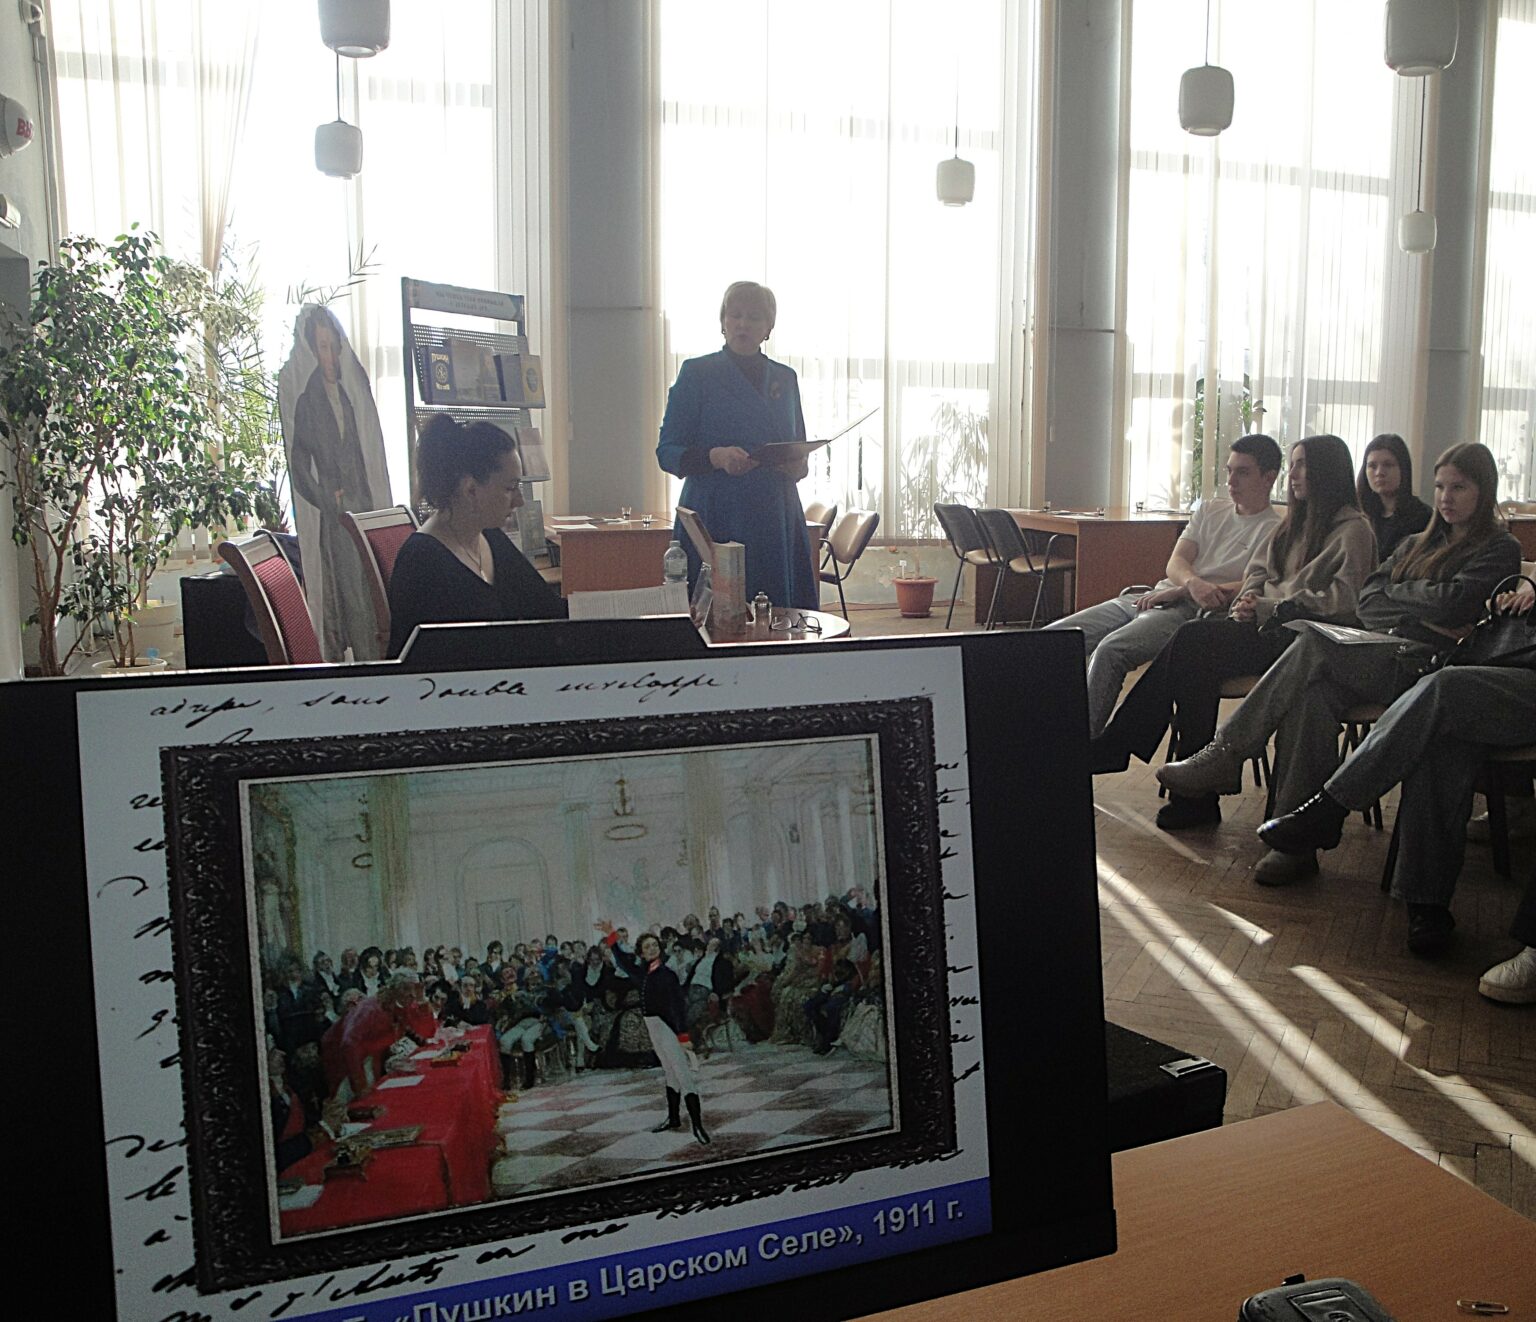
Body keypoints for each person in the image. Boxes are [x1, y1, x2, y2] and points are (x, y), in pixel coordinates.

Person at [1158, 442, 1524, 886]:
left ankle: (1229, 753)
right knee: (1311, 696)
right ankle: (1292, 846)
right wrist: (1422, 603)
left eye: (1459, 488)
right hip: (1382, 650)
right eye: (1441, 487)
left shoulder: (1498, 547)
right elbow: (1369, 600)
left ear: (1484, 490)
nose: (1446, 498)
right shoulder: (1415, 543)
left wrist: (1404, 596)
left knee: (1313, 644)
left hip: (1430, 665)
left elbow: (1455, 602)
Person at [1092, 434, 1376, 830]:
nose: (1293, 474)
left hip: (1303, 639)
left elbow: (1344, 602)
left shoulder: (1353, 531)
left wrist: (1266, 605)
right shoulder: (1293, 522)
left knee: (1192, 640)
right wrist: (1247, 600)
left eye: (1302, 465)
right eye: (1293, 464)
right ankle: (1192, 797)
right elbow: (1257, 573)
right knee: (1195, 662)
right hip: (1263, 626)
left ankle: (1128, 747)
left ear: (1327, 472)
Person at [1241, 657, 1535, 959]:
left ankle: (1328, 809)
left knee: (1444, 689)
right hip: (1484, 667)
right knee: (1438, 732)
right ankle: (1426, 902)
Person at [1046, 435, 1283, 736]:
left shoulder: (1276, 530)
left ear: (1268, 477)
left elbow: (1252, 583)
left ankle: (1077, 746)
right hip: (1156, 595)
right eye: (1229, 470)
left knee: (1110, 651)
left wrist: (1186, 590)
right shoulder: (1211, 510)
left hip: (1191, 612)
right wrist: (1190, 582)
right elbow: (1176, 562)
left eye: (1243, 472)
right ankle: (1037, 728)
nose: (1231, 481)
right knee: (1052, 639)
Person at [656, 280, 818, 610]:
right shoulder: (697, 373)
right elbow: (667, 451)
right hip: (716, 511)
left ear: (768, 327)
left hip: (775, 513)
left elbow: (796, 444)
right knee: (716, 615)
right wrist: (716, 457)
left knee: (778, 615)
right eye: (735, 315)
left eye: (754, 317)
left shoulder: (785, 378)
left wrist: (798, 465)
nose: (743, 324)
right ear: (723, 321)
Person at [386, 414, 566, 658]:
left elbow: (546, 607)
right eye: (510, 488)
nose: (519, 500)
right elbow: (422, 662)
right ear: (470, 489)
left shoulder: (491, 538)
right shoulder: (421, 561)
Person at [288, 306, 386, 661]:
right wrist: (327, 499)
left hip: (364, 509)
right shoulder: (307, 401)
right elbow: (299, 468)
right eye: (322, 347)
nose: (329, 356)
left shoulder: (347, 395)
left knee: (373, 594)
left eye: (333, 346)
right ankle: (368, 673)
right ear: (314, 351)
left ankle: (378, 666)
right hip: (338, 518)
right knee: (353, 600)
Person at [600, 922, 710, 1144]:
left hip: (667, 1027)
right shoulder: (642, 972)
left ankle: (698, 1125)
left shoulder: (666, 974)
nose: (651, 949)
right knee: (669, 1072)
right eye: (647, 947)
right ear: (641, 952)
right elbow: (621, 960)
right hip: (653, 1027)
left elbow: (677, 1007)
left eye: (654, 945)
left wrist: (683, 1036)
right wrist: (611, 936)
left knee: (683, 1074)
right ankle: (673, 1118)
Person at [1356, 432, 1431, 561]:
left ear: (1403, 469)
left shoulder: (1422, 517)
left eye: (1388, 465)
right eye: (1372, 466)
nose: (1379, 472)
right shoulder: (1360, 515)